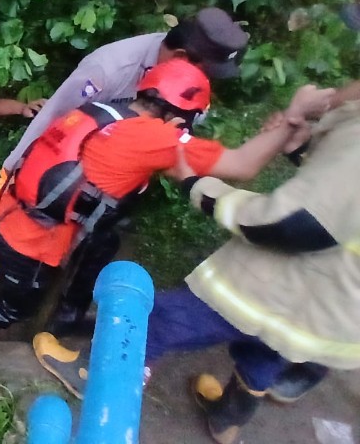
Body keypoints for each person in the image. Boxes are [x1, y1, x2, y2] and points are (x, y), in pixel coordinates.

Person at [33, 85, 351, 444]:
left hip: (289, 286)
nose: (342, 90)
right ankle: (228, 418)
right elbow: (341, 198)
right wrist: (302, 148)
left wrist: (198, 189)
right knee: (270, 350)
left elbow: (289, 222)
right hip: (334, 311)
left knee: (158, 320)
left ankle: (90, 373)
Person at [0, 60, 318, 344]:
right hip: (29, 244)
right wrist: (291, 120)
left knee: (105, 239)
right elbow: (242, 164)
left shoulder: (101, 112)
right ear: (179, 116)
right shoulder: (155, 139)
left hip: (13, 214)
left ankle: (67, 316)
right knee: (17, 306)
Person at [1, 7, 249, 172]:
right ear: (181, 57)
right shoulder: (108, 69)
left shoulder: (188, 78)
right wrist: (11, 172)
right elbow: (54, 117)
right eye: (205, 73)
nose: (206, 82)